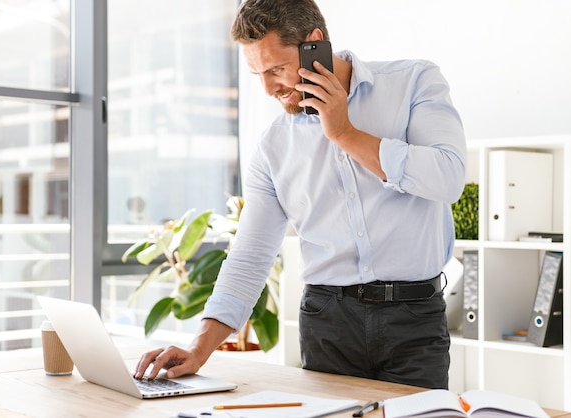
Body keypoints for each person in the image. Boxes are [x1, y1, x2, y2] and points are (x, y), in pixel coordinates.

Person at [134, 0, 466, 390]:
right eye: (257, 73)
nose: (269, 89)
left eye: (276, 69)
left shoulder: (413, 82)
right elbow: (251, 255)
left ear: (315, 44)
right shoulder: (273, 146)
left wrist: (344, 133)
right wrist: (199, 347)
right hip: (328, 322)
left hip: (414, 320)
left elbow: (447, 177)